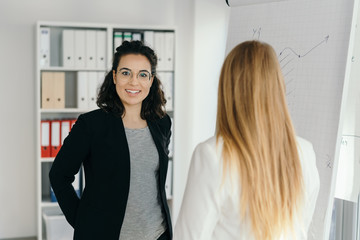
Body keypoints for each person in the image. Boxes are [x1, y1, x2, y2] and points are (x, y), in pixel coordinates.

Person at [174, 40, 320, 240]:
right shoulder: (304, 151)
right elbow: (299, 227)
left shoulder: (212, 156)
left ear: (228, 89)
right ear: (278, 86)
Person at [49, 40, 172, 240]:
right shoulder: (91, 125)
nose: (134, 81)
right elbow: (59, 175)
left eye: (143, 74)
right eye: (125, 73)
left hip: (157, 233)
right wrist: (82, 221)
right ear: (114, 76)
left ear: (151, 80)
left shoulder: (162, 123)